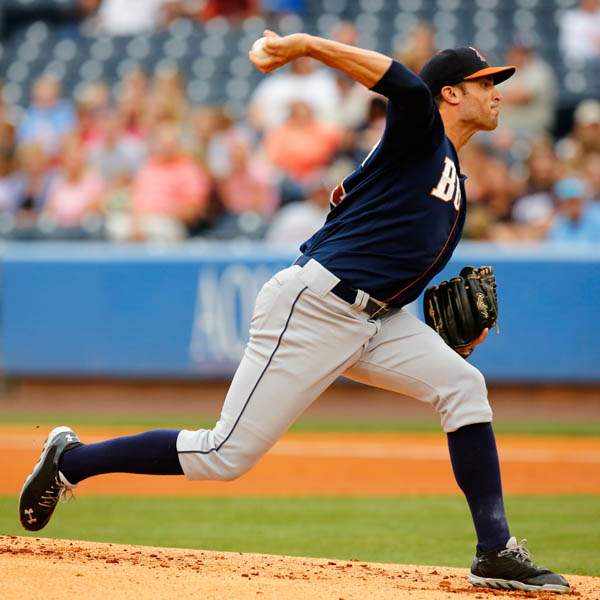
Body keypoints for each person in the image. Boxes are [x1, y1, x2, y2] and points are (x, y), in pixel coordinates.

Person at [19, 32, 570, 594]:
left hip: (374, 320)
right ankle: (72, 460)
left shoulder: (447, 173)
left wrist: (439, 335)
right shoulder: (421, 130)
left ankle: (494, 551)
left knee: (463, 386)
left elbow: (393, 258)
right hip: (314, 309)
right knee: (223, 455)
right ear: (449, 95)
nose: (498, 92)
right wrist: (305, 45)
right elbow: (403, 84)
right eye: (485, 83)